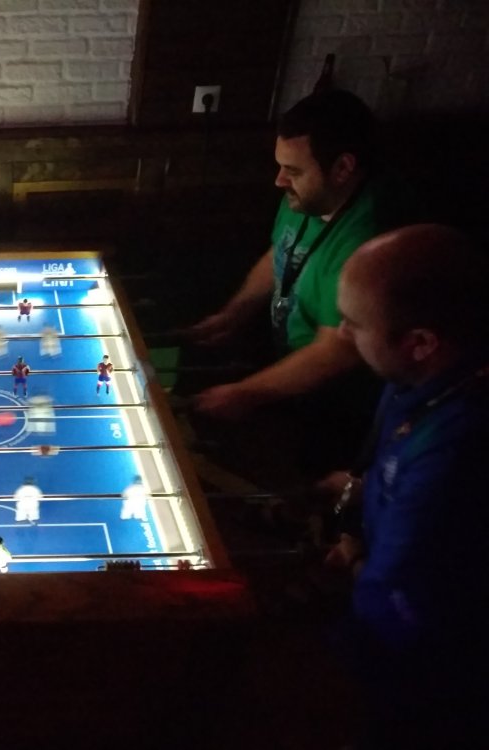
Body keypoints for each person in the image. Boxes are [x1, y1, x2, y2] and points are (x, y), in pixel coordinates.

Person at [323, 225, 489, 748]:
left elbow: (395, 596)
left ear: (420, 343)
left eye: (354, 324)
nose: (341, 335)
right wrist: (361, 493)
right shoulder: (418, 381)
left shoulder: (456, 449)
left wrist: (355, 561)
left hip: (426, 679)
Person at [187, 89, 399, 472]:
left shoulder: (367, 240)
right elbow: (279, 254)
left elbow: (337, 348)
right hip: (287, 370)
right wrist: (235, 313)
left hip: (336, 405)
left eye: (294, 171)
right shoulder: (307, 197)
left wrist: (246, 393)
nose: (279, 180)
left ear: (343, 167)